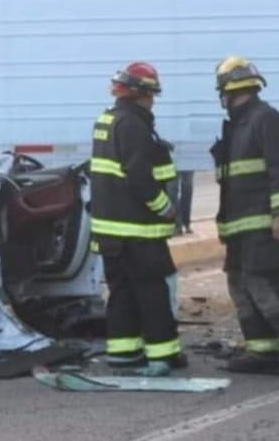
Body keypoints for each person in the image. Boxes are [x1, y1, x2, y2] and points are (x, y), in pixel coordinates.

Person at [89, 62, 186, 376]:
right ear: (143, 94)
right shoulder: (134, 126)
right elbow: (140, 180)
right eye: (151, 95)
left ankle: (123, 354)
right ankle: (163, 355)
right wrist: (166, 208)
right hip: (138, 231)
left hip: (111, 232)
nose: (153, 101)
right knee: (152, 292)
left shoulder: (108, 119)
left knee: (122, 292)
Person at [210, 56, 279, 373]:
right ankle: (264, 352)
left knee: (263, 286)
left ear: (227, 90)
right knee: (239, 285)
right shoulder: (236, 126)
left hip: (262, 224)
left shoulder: (265, 119)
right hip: (239, 227)